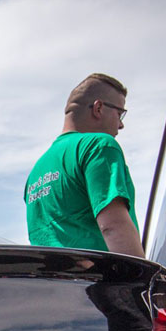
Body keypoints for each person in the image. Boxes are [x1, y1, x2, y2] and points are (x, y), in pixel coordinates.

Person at [24, 73, 144, 257]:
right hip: (98, 281)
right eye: (120, 113)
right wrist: (141, 279)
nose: (121, 125)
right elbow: (113, 226)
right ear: (98, 108)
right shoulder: (98, 146)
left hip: (51, 283)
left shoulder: (35, 174)